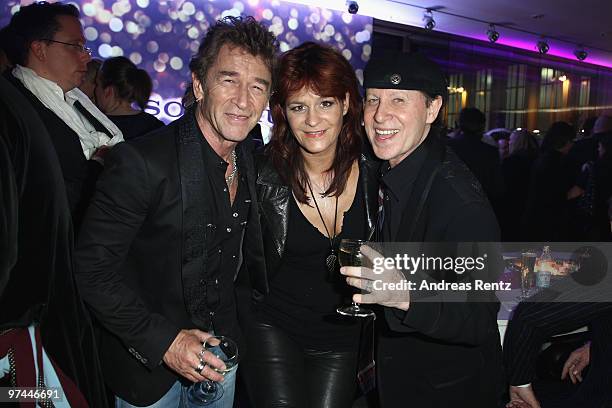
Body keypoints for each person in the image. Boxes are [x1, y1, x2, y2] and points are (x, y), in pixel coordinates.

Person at [74, 16, 277, 408]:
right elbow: (91, 270)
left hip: (222, 360)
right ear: (200, 84)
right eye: (229, 80)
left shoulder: (254, 162)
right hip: (149, 372)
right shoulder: (142, 162)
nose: (243, 100)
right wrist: (165, 342)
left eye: (258, 87)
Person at [341, 51, 504, 407]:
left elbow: (480, 315)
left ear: (432, 110)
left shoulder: (459, 200)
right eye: (373, 100)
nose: (381, 115)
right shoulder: (389, 169)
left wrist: (406, 296)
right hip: (398, 376)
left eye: (399, 100)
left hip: (447, 389)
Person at [239, 42, 378, 408]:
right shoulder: (260, 172)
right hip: (273, 325)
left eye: (326, 103)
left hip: (342, 336)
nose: (313, 120)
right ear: (283, 112)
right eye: (299, 106)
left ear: (347, 104)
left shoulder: (377, 175)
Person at [0, 75, 108, 407]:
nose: (85, 58)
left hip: (22, 325)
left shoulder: (14, 107)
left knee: (34, 394)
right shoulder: (19, 104)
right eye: (76, 46)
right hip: (26, 320)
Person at [4, 2, 123, 229]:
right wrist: (99, 164)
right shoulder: (12, 107)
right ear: (39, 49)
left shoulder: (77, 99)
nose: (86, 57)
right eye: (75, 46)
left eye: (84, 47)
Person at [448, 107, 505, 218]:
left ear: (459, 124)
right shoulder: (490, 152)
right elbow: (497, 189)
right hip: (480, 211)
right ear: (482, 126)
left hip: (449, 208)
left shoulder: (448, 147)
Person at [522, 122, 575, 241]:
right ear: (565, 142)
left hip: (535, 217)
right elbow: (557, 195)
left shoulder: (542, 158)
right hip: (550, 220)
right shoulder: (558, 162)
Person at [95, 56, 164, 140]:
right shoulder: (154, 126)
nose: (95, 90)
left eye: (97, 84)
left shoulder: (95, 127)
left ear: (108, 90)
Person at [500, 129, 539, 240]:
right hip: (532, 209)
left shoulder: (511, 162)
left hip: (514, 208)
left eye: (511, 140)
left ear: (516, 142)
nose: (509, 143)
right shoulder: (538, 159)